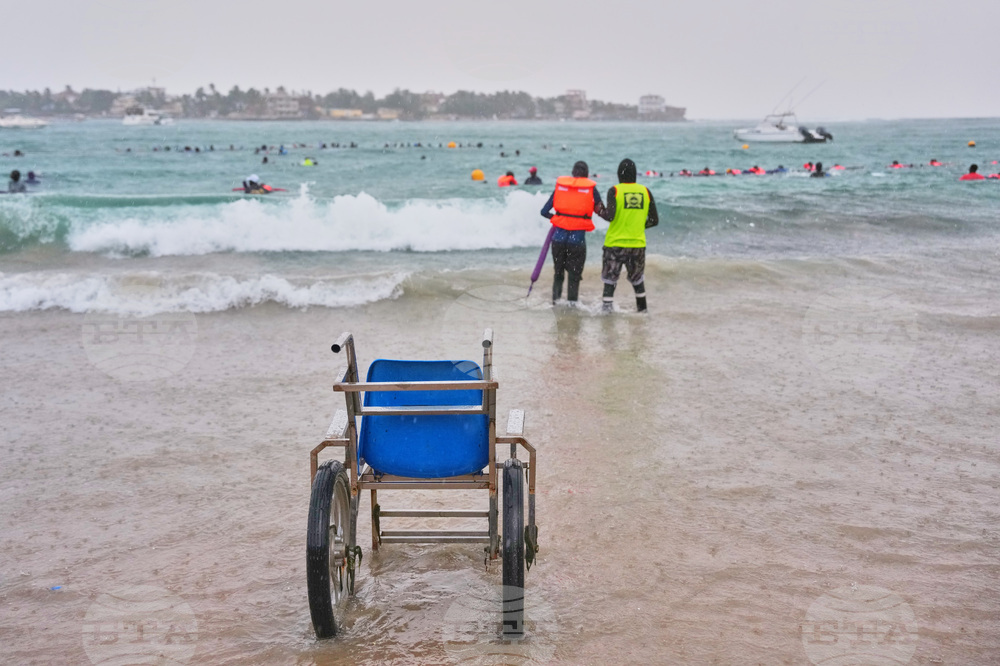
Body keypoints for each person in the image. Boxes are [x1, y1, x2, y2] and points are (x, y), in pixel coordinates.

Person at [598, 158, 658, 313]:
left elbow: (609, 216)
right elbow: (654, 220)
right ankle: (643, 313)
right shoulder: (646, 191)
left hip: (615, 244)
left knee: (610, 282)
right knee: (638, 282)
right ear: (635, 175)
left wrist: (597, 209)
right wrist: (638, 226)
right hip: (637, 245)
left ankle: (607, 316)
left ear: (619, 174)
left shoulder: (615, 191)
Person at [540, 160, 604, 304]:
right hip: (577, 242)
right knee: (574, 277)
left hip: (558, 240)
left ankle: (555, 304)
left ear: (572, 174)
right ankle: (572, 309)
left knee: (558, 274)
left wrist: (558, 218)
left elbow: (544, 211)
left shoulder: (561, 187)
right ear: (587, 175)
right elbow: (601, 211)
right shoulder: (591, 189)